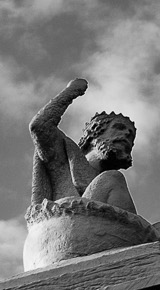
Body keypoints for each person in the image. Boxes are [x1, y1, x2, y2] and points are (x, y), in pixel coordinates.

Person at [27, 77, 137, 213]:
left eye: (131, 135)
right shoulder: (64, 156)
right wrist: (72, 91)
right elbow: (40, 126)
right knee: (112, 179)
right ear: (94, 133)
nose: (127, 134)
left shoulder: (115, 188)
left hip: (101, 228)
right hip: (69, 219)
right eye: (119, 127)